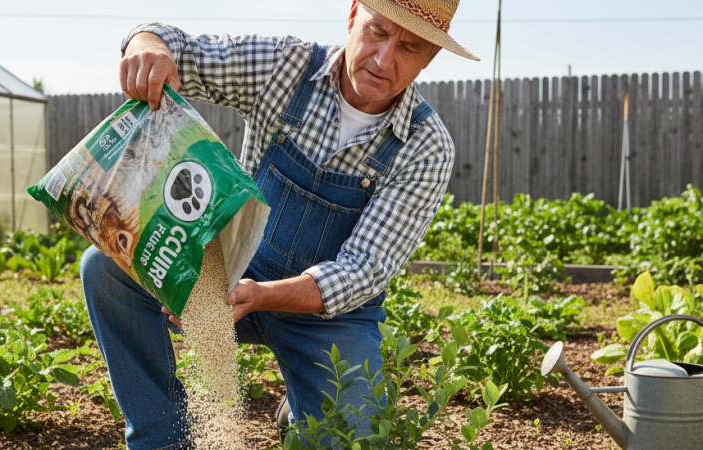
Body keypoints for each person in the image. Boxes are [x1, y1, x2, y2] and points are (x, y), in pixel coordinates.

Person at [81, 1, 478, 448]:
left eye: (409, 47)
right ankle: (162, 439)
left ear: (430, 56)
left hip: (330, 319)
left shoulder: (426, 146)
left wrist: (263, 296)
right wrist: (147, 48)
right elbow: (178, 49)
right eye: (377, 32)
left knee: (351, 438)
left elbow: (364, 269)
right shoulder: (286, 66)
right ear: (353, 16)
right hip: (233, 271)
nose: (384, 60)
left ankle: (302, 411)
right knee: (106, 269)